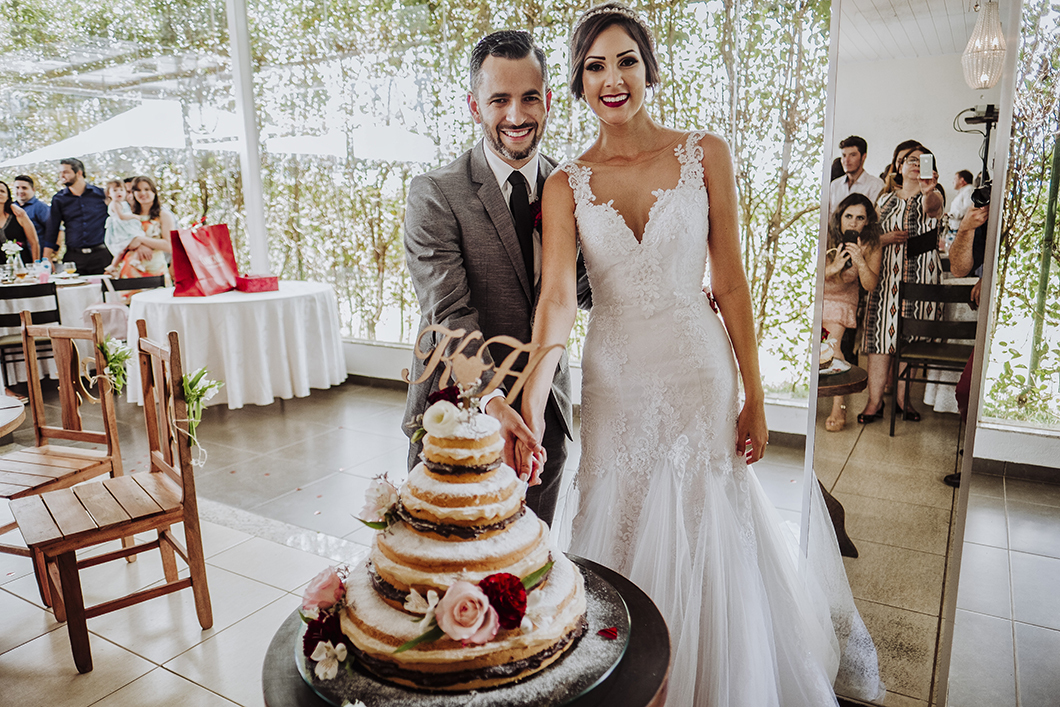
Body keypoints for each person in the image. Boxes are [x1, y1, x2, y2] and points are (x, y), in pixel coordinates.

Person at [520, 4, 883, 704]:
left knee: (709, 528)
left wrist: (755, 392)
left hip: (697, 372)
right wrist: (532, 401)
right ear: (578, 83)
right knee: (618, 526)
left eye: (626, 60)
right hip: (616, 379)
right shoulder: (566, 184)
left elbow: (731, 283)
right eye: (595, 66)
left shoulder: (705, 152)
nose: (612, 78)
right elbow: (558, 301)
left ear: (649, 69)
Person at [401, 30, 590, 527]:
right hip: (458, 415)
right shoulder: (435, 194)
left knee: (531, 561)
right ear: (473, 105)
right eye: (499, 100)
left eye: (530, 97)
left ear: (548, 100)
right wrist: (493, 401)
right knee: (451, 577)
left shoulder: (571, 187)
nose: (516, 116)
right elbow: (449, 315)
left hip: (547, 414)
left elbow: (581, 291)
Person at [859, 145, 944, 424]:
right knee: (880, 337)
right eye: (911, 160)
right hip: (885, 276)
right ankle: (874, 403)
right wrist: (884, 240)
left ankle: (902, 400)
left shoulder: (933, 195)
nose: (916, 164)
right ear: (899, 166)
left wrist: (929, 191)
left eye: (923, 161)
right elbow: (868, 239)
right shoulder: (883, 200)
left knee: (911, 338)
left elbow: (935, 211)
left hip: (921, 275)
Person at [822, 194, 882, 431]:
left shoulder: (871, 243)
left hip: (842, 300)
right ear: (840, 217)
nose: (853, 223)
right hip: (818, 296)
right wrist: (832, 269)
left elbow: (869, 285)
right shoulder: (825, 235)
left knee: (831, 347)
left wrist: (859, 259)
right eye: (848, 216)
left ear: (867, 222)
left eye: (860, 218)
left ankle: (839, 405)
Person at [42, 158, 111, 274]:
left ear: (79, 173)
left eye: (65, 172)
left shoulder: (101, 195)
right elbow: (52, 229)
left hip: (102, 255)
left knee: (104, 290)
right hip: (73, 257)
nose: (61, 176)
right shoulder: (59, 199)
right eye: (60, 172)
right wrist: (46, 257)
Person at [107, 176, 174, 281]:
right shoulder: (127, 214)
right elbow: (117, 240)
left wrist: (140, 240)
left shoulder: (163, 215)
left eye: (146, 189)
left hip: (155, 270)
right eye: (138, 190)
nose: (142, 193)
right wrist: (139, 246)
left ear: (154, 192)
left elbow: (169, 246)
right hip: (129, 271)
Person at [828, 135, 884, 210]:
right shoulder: (835, 185)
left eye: (852, 155)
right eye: (844, 155)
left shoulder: (876, 185)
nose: (846, 160)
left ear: (863, 157)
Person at [0, 180, 40, 263]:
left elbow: (34, 243)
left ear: (8, 196)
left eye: (2, 191)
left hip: (22, 266)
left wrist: (36, 266)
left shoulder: (19, 215)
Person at [103, 178, 143, 256]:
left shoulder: (124, 203)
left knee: (136, 241)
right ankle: (114, 265)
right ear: (109, 194)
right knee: (124, 246)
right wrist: (134, 217)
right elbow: (121, 217)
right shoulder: (115, 204)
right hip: (120, 228)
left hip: (126, 225)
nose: (119, 192)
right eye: (115, 190)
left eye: (121, 190)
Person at [945, 169, 975, 249]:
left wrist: (950, 214)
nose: (953, 182)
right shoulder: (963, 191)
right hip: (955, 229)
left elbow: (967, 209)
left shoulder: (969, 190)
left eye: (955, 179)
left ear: (962, 180)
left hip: (960, 229)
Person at [12, 175, 49, 239]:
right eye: (17, 187)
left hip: (39, 247)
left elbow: (56, 230)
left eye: (24, 188)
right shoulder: (11, 207)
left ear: (33, 189)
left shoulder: (41, 207)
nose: (20, 191)